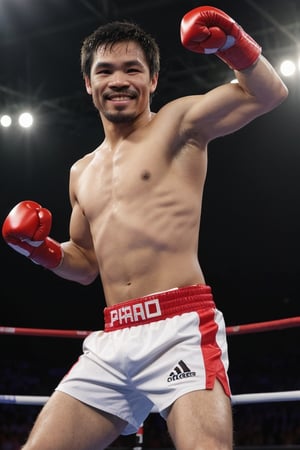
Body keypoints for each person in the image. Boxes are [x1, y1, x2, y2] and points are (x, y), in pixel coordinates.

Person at [2, 5, 288, 450]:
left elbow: (268, 94)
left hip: (179, 325)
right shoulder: (81, 172)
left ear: (152, 80)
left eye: (132, 69)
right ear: (88, 83)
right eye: (105, 71)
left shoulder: (178, 125)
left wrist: (232, 44)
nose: (118, 80)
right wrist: (40, 250)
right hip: (114, 337)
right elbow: (85, 265)